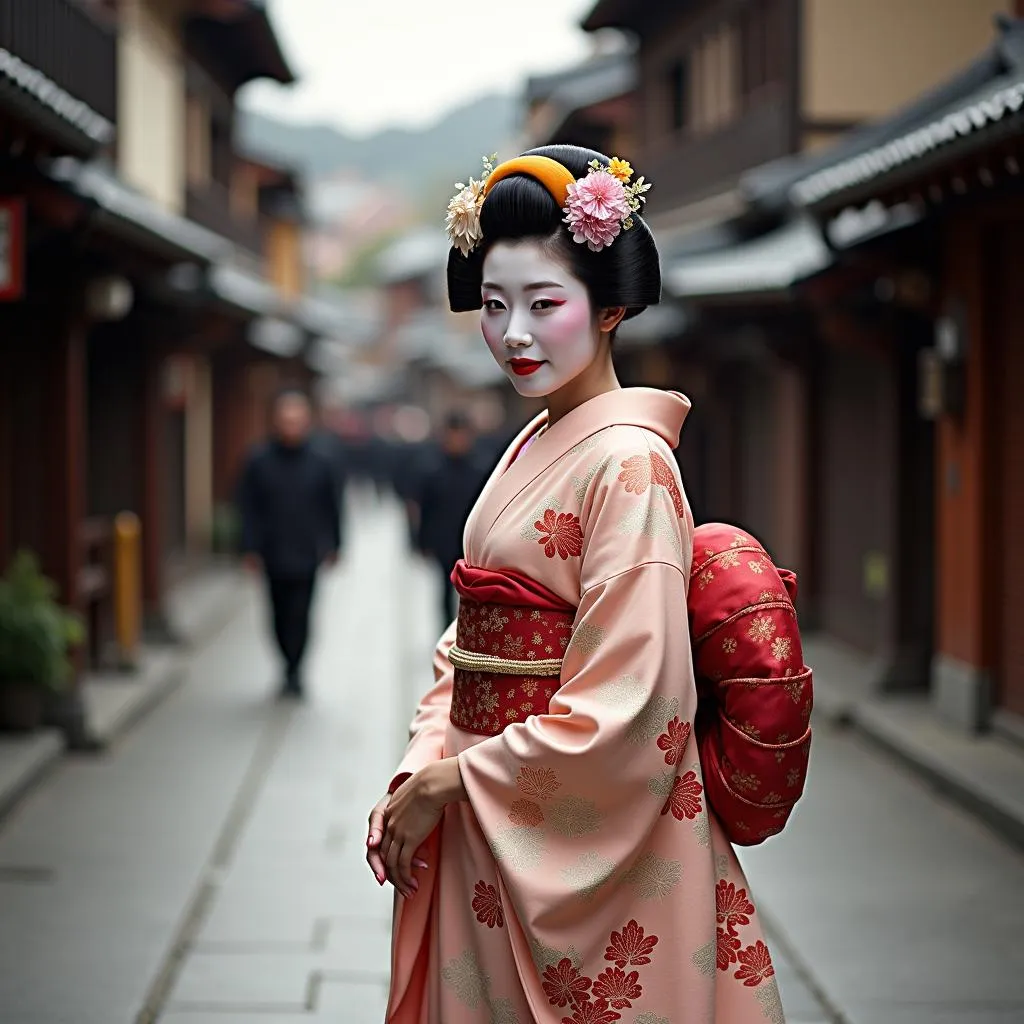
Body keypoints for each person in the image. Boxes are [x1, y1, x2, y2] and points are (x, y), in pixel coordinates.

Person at [366, 146, 790, 1022]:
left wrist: (457, 780)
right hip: (498, 809)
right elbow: (469, 640)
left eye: (543, 304)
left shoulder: (630, 463)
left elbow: (634, 704)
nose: (514, 334)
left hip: (569, 822)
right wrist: (426, 759)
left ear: (612, 308)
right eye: (492, 306)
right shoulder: (531, 443)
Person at [238, 389, 340, 699]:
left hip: (307, 551)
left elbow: (332, 507)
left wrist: (335, 544)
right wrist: (249, 547)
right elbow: (247, 507)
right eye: (286, 420)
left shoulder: (321, 462)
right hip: (272, 550)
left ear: (307, 422)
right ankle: (285, 661)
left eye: (297, 420)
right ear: (275, 422)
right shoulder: (258, 461)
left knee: (302, 613)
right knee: (278, 613)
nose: (291, 426)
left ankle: (296, 669)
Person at [415, 410, 487, 626]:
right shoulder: (433, 470)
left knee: (473, 594)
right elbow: (425, 509)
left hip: (472, 544)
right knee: (444, 592)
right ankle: (446, 631)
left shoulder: (481, 469)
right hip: (443, 541)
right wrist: (422, 541)